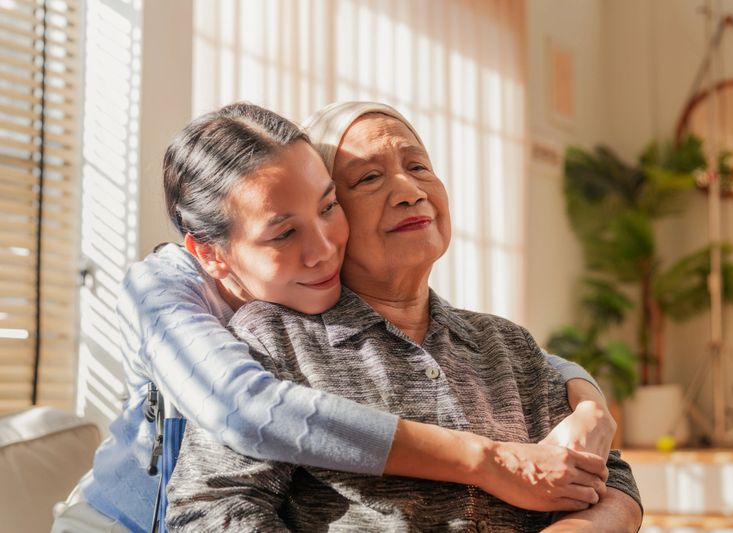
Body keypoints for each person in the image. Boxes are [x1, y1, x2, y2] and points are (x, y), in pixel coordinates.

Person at [52, 103, 615, 533]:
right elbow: (246, 414)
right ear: (212, 253)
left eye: (326, 208)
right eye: (367, 178)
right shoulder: (193, 305)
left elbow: (607, 472)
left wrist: (588, 398)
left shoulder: (499, 340)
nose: (324, 248)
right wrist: (488, 460)